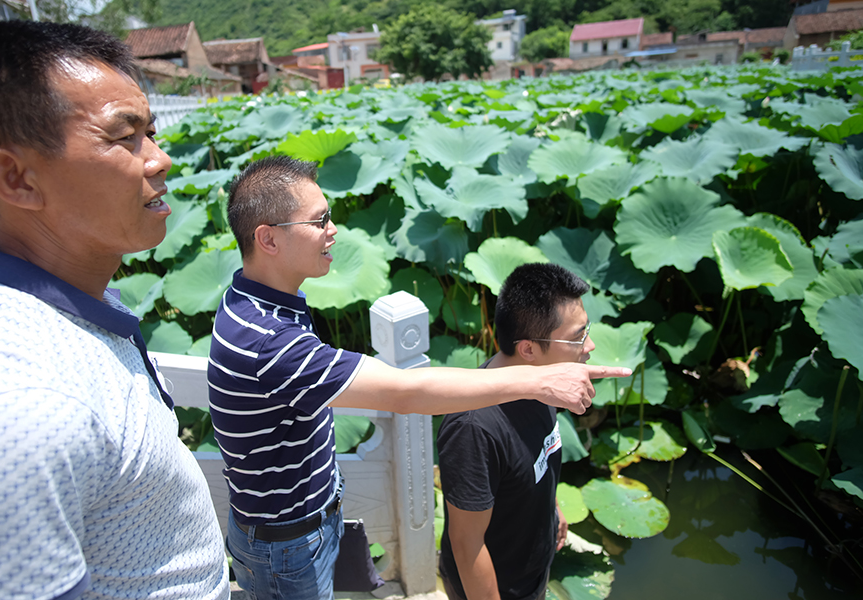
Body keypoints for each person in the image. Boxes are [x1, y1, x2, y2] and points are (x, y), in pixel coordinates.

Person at [0, 21, 229, 600]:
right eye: (124, 137)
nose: (160, 161)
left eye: (151, 132)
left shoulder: (77, 304)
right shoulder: (13, 412)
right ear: (16, 178)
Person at [207, 156, 630, 600]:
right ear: (268, 238)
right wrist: (538, 382)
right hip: (287, 545)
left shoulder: (258, 301)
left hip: (303, 516)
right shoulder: (269, 342)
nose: (333, 230)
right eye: (319, 221)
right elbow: (406, 391)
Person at [437, 263, 593, 600]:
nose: (590, 344)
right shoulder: (473, 428)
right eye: (578, 336)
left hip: (533, 566)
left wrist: (551, 508)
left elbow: (536, 458)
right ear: (528, 350)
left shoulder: (542, 382)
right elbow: (467, 546)